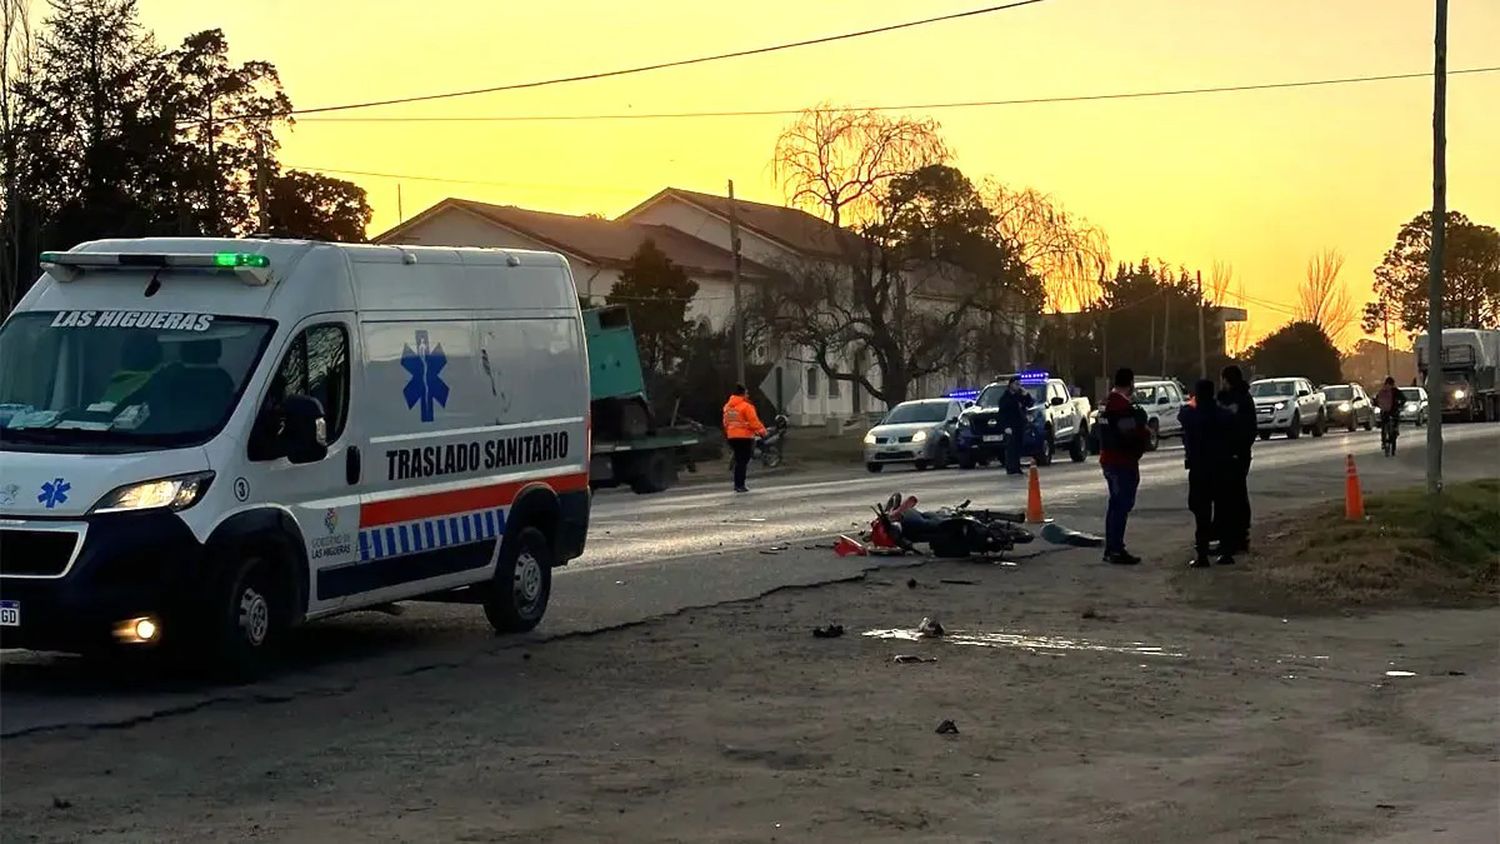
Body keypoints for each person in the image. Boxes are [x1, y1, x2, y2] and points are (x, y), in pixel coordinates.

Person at [1097, 367, 1150, 565]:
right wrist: (1142, 432)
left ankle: (1113, 547)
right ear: (1131, 383)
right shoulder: (1121, 407)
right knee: (1121, 505)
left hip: (1109, 460)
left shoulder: (1105, 403)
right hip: (1122, 461)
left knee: (1115, 505)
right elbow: (1130, 433)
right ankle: (1115, 549)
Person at [1179, 379, 1234, 568]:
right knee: (1223, 510)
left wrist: (1193, 402)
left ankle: (1202, 555)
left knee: (1201, 512)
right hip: (1221, 467)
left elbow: (1183, 414)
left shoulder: (1191, 414)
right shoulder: (1223, 414)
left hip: (1199, 468)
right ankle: (1226, 552)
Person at [1215, 365, 1257, 562]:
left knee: (1234, 496)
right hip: (1228, 454)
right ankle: (1231, 538)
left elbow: (1247, 429)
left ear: (1227, 379)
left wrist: (1236, 451)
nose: (1221, 383)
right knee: (1231, 496)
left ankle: (1236, 538)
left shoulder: (1241, 400)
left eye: (1223, 379)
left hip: (1237, 455)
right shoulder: (1225, 398)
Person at [722, 384, 767, 494]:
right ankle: (740, 485)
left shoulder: (727, 407)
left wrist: (729, 431)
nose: (748, 395)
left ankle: (737, 484)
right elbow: (753, 421)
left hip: (732, 436)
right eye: (747, 393)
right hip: (744, 437)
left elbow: (725, 422)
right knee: (743, 461)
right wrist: (762, 432)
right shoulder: (746, 406)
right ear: (742, 394)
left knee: (738, 460)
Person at [997, 377, 1035, 476]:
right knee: (1011, 448)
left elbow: (1029, 403)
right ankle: (1011, 468)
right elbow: (1002, 414)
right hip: (1010, 426)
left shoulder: (1019, 396)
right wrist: (1006, 426)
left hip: (1019, 425)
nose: (1018, 386)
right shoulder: (1005, 398)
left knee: (1018, 447)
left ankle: (1017, 468)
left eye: (1019, 384)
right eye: (1016, 384)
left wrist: (1026, 395)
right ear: (1011, 385)